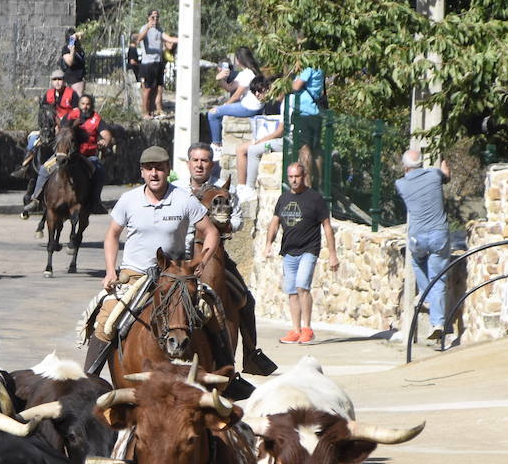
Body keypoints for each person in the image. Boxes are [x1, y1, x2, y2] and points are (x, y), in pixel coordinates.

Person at [89, 146, 251, 393]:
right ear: (142, 172)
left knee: (212, 312)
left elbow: (210, 232)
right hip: (135, 274)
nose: (154, 174)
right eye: (149, 169)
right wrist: (110, 270)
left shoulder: (182, 199)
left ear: (167, 171)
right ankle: (88, 379)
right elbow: (111, 235)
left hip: (175, 273)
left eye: (160, 168)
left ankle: (228, 375)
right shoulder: (128, 200)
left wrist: (201, 264)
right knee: (107, 320)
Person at [177, 143, 268, 375]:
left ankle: (250, 354)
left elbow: (237, 220)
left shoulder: (224, 191)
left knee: (245, 300)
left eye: (204, 160)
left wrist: (224, 223)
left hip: (215, 255)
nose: (199, 165)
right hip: (180, 258)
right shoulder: (176, 191)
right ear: (188, 163)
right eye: (195, 160)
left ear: (211, 164)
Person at [262, 162, 338, 345]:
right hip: (289, 251)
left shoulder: (315, 199)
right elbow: (274, 222)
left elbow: (327, 227)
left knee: (302, 286)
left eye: (297, 176)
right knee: (291, 291)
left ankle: (307, 329)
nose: (294, 180)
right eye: (290, 177)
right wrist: (268, 244)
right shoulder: (284, 198)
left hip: (308, 249)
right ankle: (295, 330)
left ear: (304, 176)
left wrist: (333, 254)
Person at [395, 148, 453, 341]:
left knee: (416, 261)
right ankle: (437, 323)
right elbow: (446, 176)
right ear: (421, 163)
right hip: (439, 234)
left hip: (418, 237)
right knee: (438, 279)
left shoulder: (401, 184)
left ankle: (426, 297)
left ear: (404, 166)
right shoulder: (434, 174)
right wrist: (445, 167)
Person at [13, 71, 80, 186]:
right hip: (49, 128)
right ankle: (24, 166)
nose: (57, 82)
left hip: (67, 129)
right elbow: (42, 113)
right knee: (33, 140)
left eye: (60, 79)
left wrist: (63, 125)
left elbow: (76, 113)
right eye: (55, 80)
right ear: (52, 82)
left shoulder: (72, 95)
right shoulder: (48, 95)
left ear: (64, 81)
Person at [206, 47, 266, 152]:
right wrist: (220, 79)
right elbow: (229, 87)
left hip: (249, 108)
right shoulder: (247, 72)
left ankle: (216, 145)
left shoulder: (248, 74)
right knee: (217, 112)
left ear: (239, 60)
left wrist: (222, 107)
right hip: (250, 106)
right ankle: (217, 143)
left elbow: (236, 96)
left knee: (212, 114)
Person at [289, 65, 326, 186]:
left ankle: (308, 185)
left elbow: (296, 86)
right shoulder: (320, 67)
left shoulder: (308, 67)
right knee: (316, 149)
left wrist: (285, 82)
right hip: (316, 113)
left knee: (304, 148)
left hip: (304, 112)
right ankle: (319, 184)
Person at [137, 10, 178, 119]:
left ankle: (157, 110)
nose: (155, 19)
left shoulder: (159, 29)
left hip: (158, 62)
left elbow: (169, 39)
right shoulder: (144, 28)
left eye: (157, 17)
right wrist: (148, 27)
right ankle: (145, 113)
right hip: (148, 63)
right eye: (153, 17)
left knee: (158, 88)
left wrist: (184, 38)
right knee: (147, 89)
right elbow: (139, 39)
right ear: (148, 17)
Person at [59, 27, 87, 97]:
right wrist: (72, 51)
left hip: (79, 80)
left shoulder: (80, 49)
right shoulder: (66, 49)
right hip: (70, 79)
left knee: (78, 100)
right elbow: (69, 62)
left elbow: (83, 34)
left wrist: (78, 35)